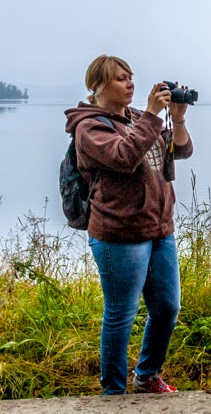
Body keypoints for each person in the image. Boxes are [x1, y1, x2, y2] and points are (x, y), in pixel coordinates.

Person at [64, 55, 193, 395]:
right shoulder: (89, 127)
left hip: (159, 229)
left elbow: (181, 151)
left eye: (130, 76)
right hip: (119, 234)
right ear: (98, 86)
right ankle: (114, 391)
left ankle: (146, 374)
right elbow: (124, 157)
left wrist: (176, 120)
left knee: (167, 308)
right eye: (120, 78)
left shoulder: (138, 118)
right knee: (122, 314)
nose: (130, 83)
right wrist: (151, 115)